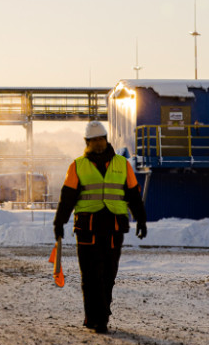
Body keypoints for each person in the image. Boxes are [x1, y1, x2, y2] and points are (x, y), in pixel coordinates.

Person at [53, 120, 147, 334]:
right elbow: (67, 198)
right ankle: (95, 317)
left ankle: (101, 314)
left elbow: (133, 195)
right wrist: (59, 223)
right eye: (93, 140)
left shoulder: (123, 165)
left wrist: (141, 219)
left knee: (108, 274)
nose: (98, 143)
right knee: (90, 275)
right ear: (87, 142)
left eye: (100, 139)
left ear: (106, 140)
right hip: (87, 228)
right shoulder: (77, 166)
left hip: (113, 227)